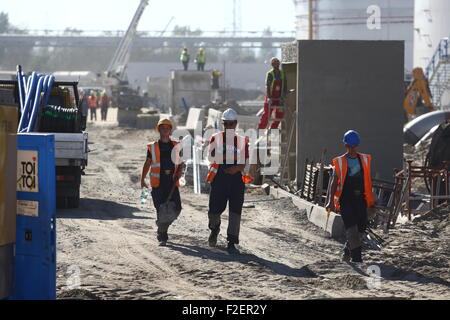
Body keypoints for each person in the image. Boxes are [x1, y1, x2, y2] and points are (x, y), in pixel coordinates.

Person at [325, 130, 375, 263]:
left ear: (357, 145)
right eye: (350, 147)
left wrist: (371, 201)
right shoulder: (340, 162)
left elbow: (367, 181)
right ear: (345, 146)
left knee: (360, 231)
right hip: (346, 200)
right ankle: (357, 259)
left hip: (361, 200)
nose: (352, 149)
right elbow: (334, 182)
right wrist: (330, 201)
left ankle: (348, 250)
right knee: (352, 230)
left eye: (355, 147)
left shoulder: (364, 159)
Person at [206, 108, 251, 254]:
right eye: (226, 124)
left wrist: (237, 168)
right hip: (219, 179)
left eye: (231, 124)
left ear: (236, 124)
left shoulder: (242, 141)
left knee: (235, 211)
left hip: (236, 180)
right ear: (222, 124)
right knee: (214, 210)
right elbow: (211, 157)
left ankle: (232, 241)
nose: (228, 127)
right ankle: (214, 229)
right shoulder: (215, 138)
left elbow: (244, 162)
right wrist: (228, 158)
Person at [141, 119, 185, 246]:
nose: (165, 129)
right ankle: (162, 235)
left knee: (177, 208)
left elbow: (181, 163)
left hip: (172, 182)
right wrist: (142, 179)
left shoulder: (176, 145)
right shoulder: (153, 147)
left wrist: (179, 173)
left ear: (170, 129)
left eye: (167, 127)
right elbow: (148, 163)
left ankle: (161, 226)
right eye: (162, 127)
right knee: (161, 210)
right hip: (158, 183)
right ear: (158, 129)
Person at [258, 57, 287, 129]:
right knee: (266, 116)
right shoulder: (270, 74)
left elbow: (285, 86)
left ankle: (273, 130)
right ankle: (260, 131)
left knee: (279, 116)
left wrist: (283, 96)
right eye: (275, 63)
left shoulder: (282, 74)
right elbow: (267, 86)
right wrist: (269, 97)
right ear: (272, 64)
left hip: (279, 99)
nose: (277, 65)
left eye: (277, 63)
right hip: (270, 98)